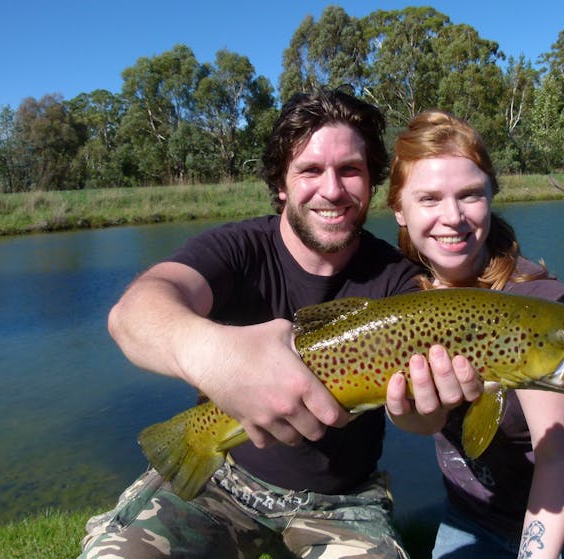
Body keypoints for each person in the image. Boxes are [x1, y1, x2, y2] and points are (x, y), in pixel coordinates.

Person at [77, 91, 482, 559]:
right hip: (220, 482)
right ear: (282, 184)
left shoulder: (399, 282)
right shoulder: (237, 249)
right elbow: (131, 315)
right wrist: (219, 356)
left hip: (343, 500)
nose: (332, 189)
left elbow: (415, 416)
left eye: (350, 170)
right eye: (310, 170)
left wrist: (426, 410)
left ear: (371, 182)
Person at [384, 109, 564, 559]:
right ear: (399, 211)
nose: (453, 217)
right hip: (474, 515)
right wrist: (407, 411)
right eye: (429, 199)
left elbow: (557, 459)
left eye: (470, 195)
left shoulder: (539, 308)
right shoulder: (399, 294)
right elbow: (420, 421)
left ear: (491, 197)